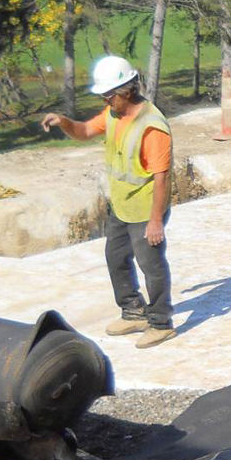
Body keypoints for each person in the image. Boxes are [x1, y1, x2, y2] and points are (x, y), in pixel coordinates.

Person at [41, 56, 177, 348]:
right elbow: (86, 131)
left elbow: (161, 178)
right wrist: (63, 121)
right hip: (121, 205)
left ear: (126, 90)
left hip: (144, 210)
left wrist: (155, 221)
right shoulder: (113, 114)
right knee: (115, 258)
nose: (105, 99)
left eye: (109, 94)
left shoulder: (152, 127)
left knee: (150, 266)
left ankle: (161, 322)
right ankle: (133, 311)